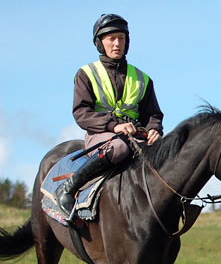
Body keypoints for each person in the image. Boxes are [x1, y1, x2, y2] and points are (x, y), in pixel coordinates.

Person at [56, 13, 164, 219]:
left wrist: (154, 129)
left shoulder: (143, 78)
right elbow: (81, 113)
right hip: (102, 135)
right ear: (99, 43)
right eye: (111, 39)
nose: (117, 44)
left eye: (121, 38)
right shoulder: (86, 74)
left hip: (136, 136)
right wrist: (114, 126)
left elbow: (153, 114)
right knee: (118, 148)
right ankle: (69, 188)